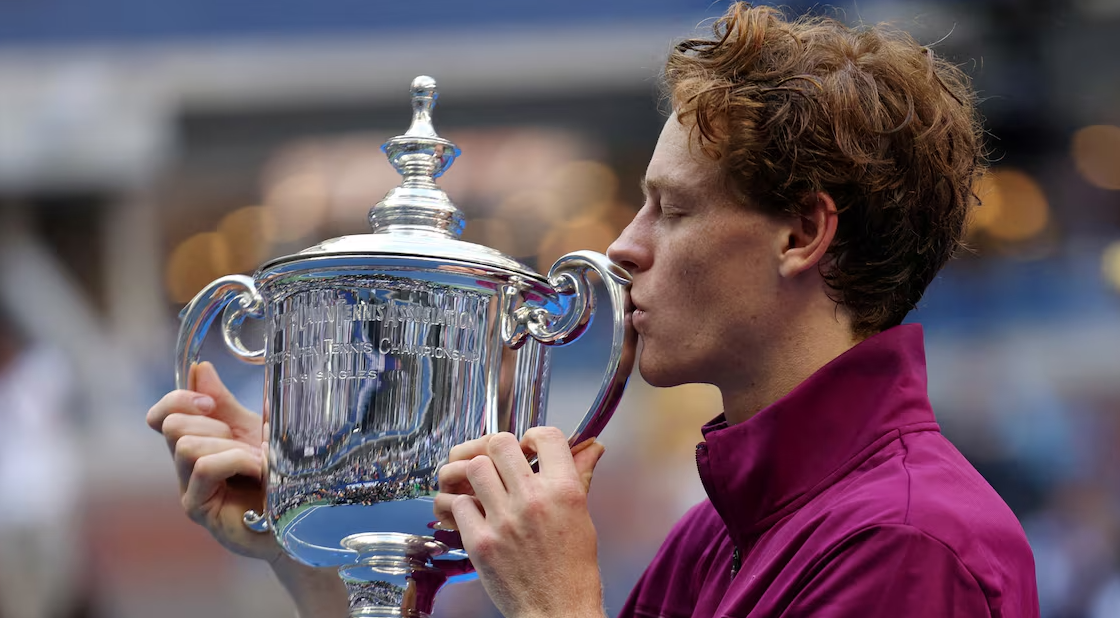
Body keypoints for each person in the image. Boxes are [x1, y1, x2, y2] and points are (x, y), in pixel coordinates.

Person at [147, 3, 1040, 616]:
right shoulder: (725, 532)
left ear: (801, 234)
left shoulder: (909, 541)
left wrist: (559, 606)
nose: (622, 246)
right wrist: (317, 550)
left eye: (673, 208)